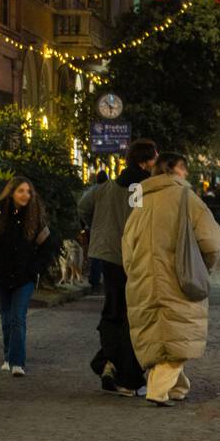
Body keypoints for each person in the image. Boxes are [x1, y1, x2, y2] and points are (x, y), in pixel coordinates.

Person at [122, 159, 220, 406]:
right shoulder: (187, 199)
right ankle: (157, 389)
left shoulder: (141, 201)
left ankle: (176, 387)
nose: (187, 172)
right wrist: (203, 266)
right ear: (175, 170)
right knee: (177, 333)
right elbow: (211, 243)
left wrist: (135, 272)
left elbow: (127, 245)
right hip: (178, 277)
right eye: (184, 167)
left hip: (143, 279)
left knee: (161, 334)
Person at [78, 137, 158, 396]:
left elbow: (83, 205)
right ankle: (123, 372)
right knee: (133, 314)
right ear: (144, 162)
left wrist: (96, 227)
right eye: (154, 159)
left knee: (115, 310)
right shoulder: (147, 188)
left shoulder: (108, 187)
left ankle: (108, 362)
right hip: (136, 256)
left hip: (109, 255)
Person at [0, 175, 50, 376]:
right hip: (1, 276)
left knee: (18, 318)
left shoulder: (36, 219)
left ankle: (17, 362)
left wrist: (34, 269)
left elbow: (45, 249)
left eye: (28, 191)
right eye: (21, 191)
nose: (25, 195)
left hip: (24, 277)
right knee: (6, 317)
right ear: (11, 193)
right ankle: (7, 356)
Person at [79, 170, 109, 291]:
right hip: (108, 226)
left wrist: (88, 223)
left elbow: (82, 208)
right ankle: (105, 280)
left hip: (94, 227)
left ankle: (94, 280)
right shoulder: (110, 192)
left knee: (95, 254)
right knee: (108, 255)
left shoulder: (92, 192)